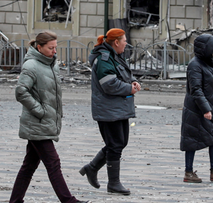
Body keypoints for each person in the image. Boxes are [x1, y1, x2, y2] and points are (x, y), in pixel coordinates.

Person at [9, 31, 89, 203]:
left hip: (44, 120)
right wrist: (40, 110)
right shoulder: (31, 66)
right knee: (53, 163)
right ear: (39, 47)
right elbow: (21, 91)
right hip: (37, 122)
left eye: (55, 47)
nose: (55, 51)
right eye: (51, 48)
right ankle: (68, 201)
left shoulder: (51, 64)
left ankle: (15, 201)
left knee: (28, 166)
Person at [80, 28, 140, 195]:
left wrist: (133, 82)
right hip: (108, 109)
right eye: (124, 41)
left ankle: (92, 168)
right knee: (115, 144)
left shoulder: (116, 57)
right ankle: (113, 183)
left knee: (120, 142)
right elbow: (109, 84)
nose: (126, 43)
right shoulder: (105, 58)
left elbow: (123, 75)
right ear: (116, 42)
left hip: (118, 107)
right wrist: (129, 89)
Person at [180, 34, 213, 183]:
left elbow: (210, 89)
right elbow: (196, 89)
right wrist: (206, 109)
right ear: (205, 48)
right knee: (191, 140)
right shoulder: (195, 65)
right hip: (195, 110)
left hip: (206, 108)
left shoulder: (207, 63)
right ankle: (188, 172)